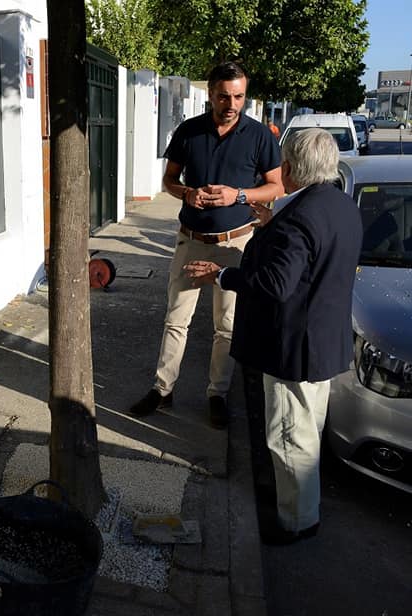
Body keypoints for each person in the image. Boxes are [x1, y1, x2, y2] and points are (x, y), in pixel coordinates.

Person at [184, 128, 363, 544]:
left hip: (293, 348)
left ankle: (296, 522)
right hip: (323, 342)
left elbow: (276, 284)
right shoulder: (338, 204)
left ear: (288, 169)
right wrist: (272, 225)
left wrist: (222, 274)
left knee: (288, 437)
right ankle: (298, 503)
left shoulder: (299, 219)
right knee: (307, 431)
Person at [129, 61, 283, 427]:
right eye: (224, 96)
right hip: (192, 239)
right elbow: (169, 179)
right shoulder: (189, 131)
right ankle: (162, 390)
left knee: (226, 325)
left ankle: (217, 394)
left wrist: (238, 196)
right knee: (176, 319)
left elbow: (276, 186)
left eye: (239, 96)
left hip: (235, 244)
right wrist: (187, 193)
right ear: (211, 94)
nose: (231, 104)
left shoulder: (260, 136)